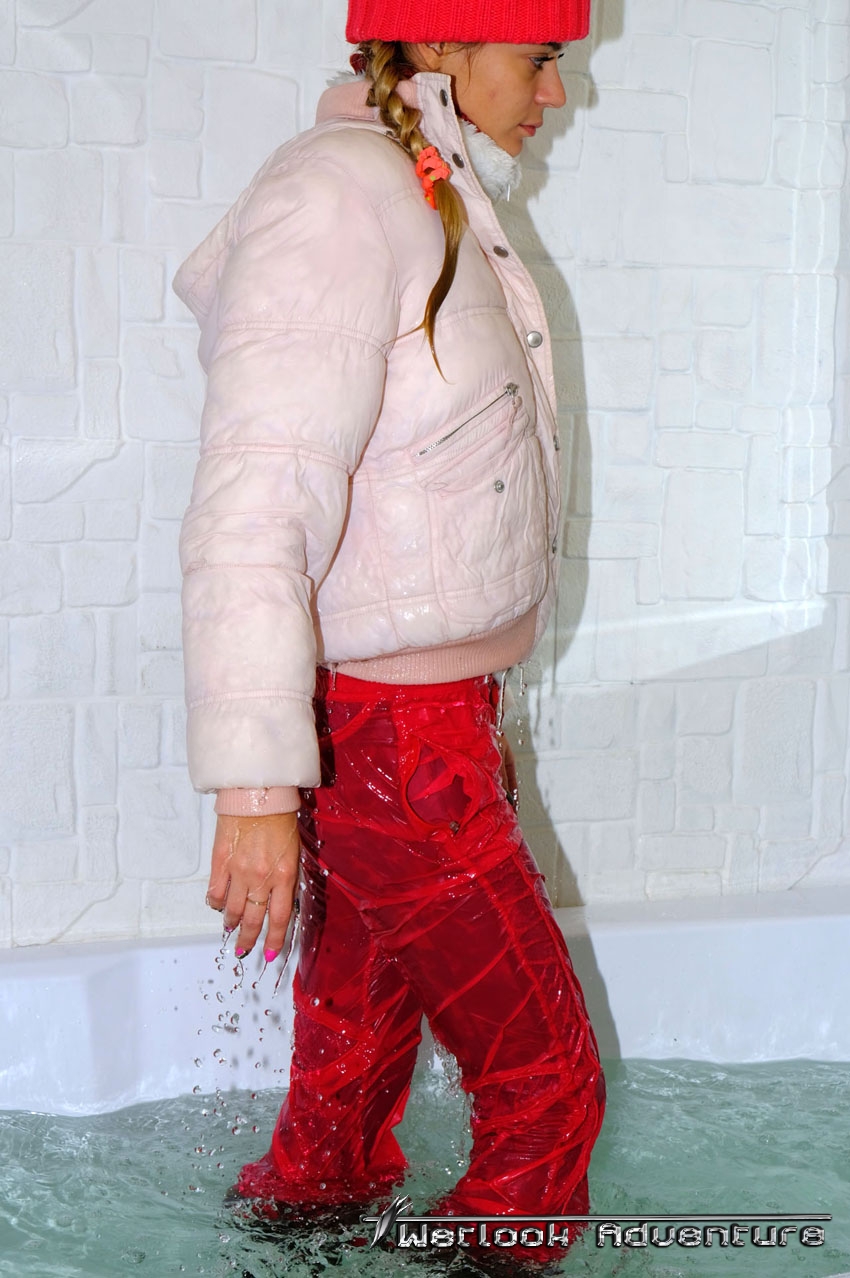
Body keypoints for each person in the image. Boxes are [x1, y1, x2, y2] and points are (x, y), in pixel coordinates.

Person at [174, 0, 605, 1259]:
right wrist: (257, 789)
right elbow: (254, 501)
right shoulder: (344, 195)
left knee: (353, 1057)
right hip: (394, 742)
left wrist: (463, 715)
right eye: (542, 59)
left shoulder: (422, 190)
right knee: (546, 1087)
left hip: (411, 732)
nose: (556, 94)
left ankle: (300, 1226)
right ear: (443, 44)